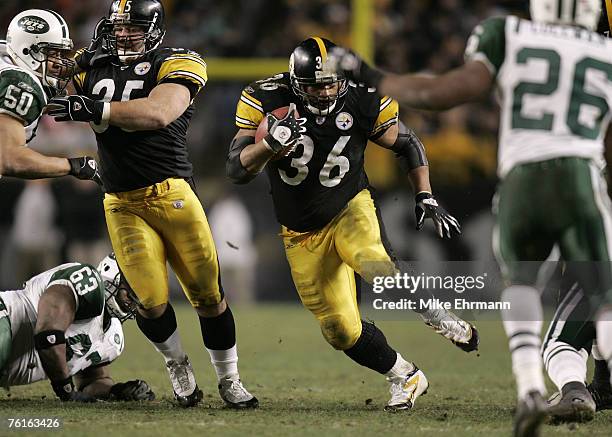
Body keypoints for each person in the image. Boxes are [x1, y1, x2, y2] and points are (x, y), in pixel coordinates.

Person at [332, 0, 612, 434]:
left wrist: (369, 75)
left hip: (523, 178)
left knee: (520, 282)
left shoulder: (509, 33)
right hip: (582, 176)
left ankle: (528, 391)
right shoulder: (603, 50)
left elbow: (440, 94)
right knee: (603, 291)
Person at [227, 36, 478, 412]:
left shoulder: (363, 95)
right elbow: (236, 169)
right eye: (314, 86)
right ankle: (406, 376)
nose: (325, 93)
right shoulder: (266, 98)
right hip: (300, 231)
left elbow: (408, 144)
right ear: (296, 83)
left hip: (348, 205)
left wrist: (425, 194)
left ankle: (437, 315)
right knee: (341, 331)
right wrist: (268, 147)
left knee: (372, 261)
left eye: (330, 83)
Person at [48, 0, 257, 409]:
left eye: (134, 26)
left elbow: (161, 113)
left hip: (172, 194)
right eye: (119, 26)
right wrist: (56, 65)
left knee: (208, 296)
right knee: (149, 300)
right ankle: (177, 364)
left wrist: (94, 106)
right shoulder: (93, 62)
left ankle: (229, 378)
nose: (124, 34)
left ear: (156, 28)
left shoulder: (178, 60)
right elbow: (47, 78)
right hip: (120, 200)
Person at [0, 253, 154, 402]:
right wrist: (65, 389)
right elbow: (49, 335)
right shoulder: (88, 283)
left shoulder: (113, 336)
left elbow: (91, 381)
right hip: (5, 317)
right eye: (131, 289)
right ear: (112, 276)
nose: (135, 299)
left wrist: (117, 391)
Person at [0, 9, 100, 184]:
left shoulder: (6, 54)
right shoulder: (20, 83)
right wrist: (73, 166)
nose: (59, 62)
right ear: (26, 50)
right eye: (53, 54)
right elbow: (8, 159)